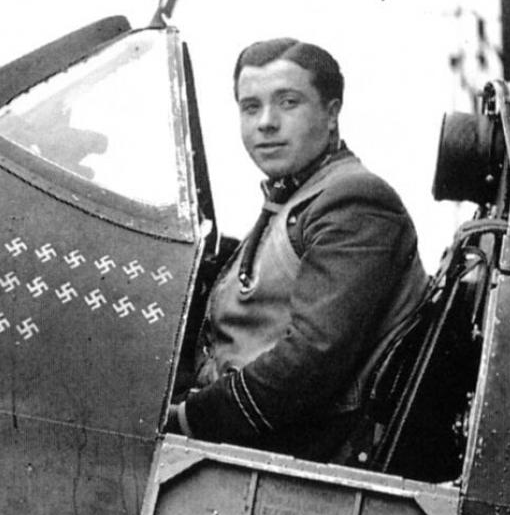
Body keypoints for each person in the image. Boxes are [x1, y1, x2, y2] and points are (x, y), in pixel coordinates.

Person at [165, 38, 429, 463]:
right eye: (250, 107)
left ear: (331, 113)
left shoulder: (353, 200)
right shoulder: (298, 196)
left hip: (292, 455)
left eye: (288, 102)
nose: (266, 123)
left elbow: (311, 360)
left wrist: (188, 419)